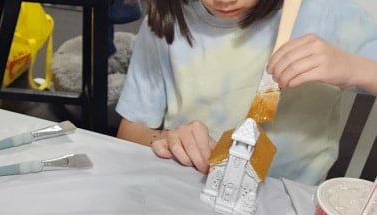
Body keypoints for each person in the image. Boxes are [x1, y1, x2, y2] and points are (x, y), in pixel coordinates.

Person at [114, 0, 377, 184]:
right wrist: (167, 139)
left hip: (289, 203)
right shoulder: (167, 20)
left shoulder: (333, 14)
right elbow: (129, 130)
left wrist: (356, 69)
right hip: (186, 187)